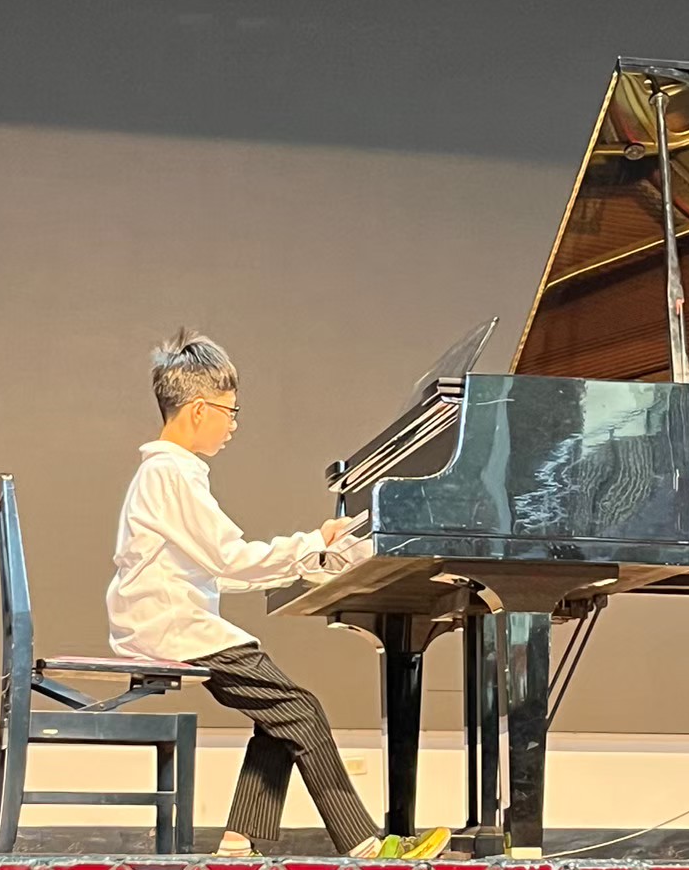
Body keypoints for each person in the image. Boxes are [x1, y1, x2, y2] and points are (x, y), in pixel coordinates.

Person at [106, 328, 449, 859]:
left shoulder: (166, 472)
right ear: (198, 410)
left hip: (167, 621)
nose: (234, 424)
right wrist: (313, 545)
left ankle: (238, 842)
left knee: (281, 716)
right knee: (302, 709)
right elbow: (230, 558)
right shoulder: (171, 474)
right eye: (230, 411)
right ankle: (365, 846)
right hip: (173, 627)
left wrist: (311, 559)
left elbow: (222, 570)